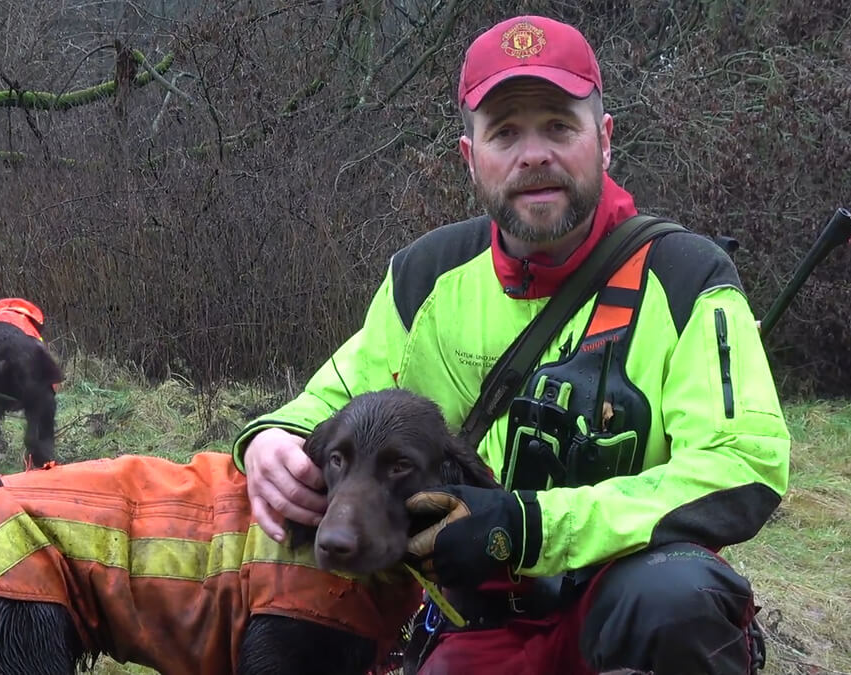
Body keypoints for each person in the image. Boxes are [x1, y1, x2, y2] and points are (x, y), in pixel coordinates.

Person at [232, 14, 790, 675]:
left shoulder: (687, 276)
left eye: (559, 126)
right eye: (505, 132)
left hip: (625, 601)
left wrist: (526, 526)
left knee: (673, 599)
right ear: (472, 158)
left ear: (603, 140)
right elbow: (336, 399)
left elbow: (744, 465)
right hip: (482, 621)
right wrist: (269, 438)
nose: (534, 154)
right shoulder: (423, 276)